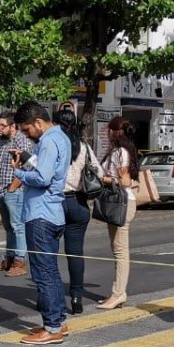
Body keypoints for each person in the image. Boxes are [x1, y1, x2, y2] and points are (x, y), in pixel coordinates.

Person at [10, 102, 69, 344]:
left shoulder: (48, 140)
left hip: (41, 214)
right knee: (51, 271)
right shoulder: (61, 138)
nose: (26, 135)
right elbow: (49, 171)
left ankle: (52, 326)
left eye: (26, 130)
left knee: (43, 273)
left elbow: (43, 177)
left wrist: (19, 173)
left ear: (37, 122)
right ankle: (58, 321)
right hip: (53, 212)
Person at [58, 109, 103, 314]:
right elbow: (99, 172)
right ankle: (76, 298)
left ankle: (50, 297)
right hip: (79, 202)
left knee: (47, 253)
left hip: (56, 202)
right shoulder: (83, 147)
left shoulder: (54, 144)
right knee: (75, 254)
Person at [96, 116, 139, 310]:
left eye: (109, 130)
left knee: (120, 251)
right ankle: (116, 292)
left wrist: (103, 178)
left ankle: (119, 293)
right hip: (120, 202)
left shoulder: (120, 152)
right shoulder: (123, 150)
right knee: (117, 249)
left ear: (115, 132)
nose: (107, 133)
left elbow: (125, 182)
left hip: (121, 202)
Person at [0, 111, 35, 277]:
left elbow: (30, 167)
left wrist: (12, 187)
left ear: (13, 126)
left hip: (15, 191)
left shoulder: (22, 142)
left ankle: (19, 261)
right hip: (1, 191)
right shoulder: (1, 143)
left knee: (18, 226)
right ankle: (9, 258)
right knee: (8, 227)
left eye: (3, 125)